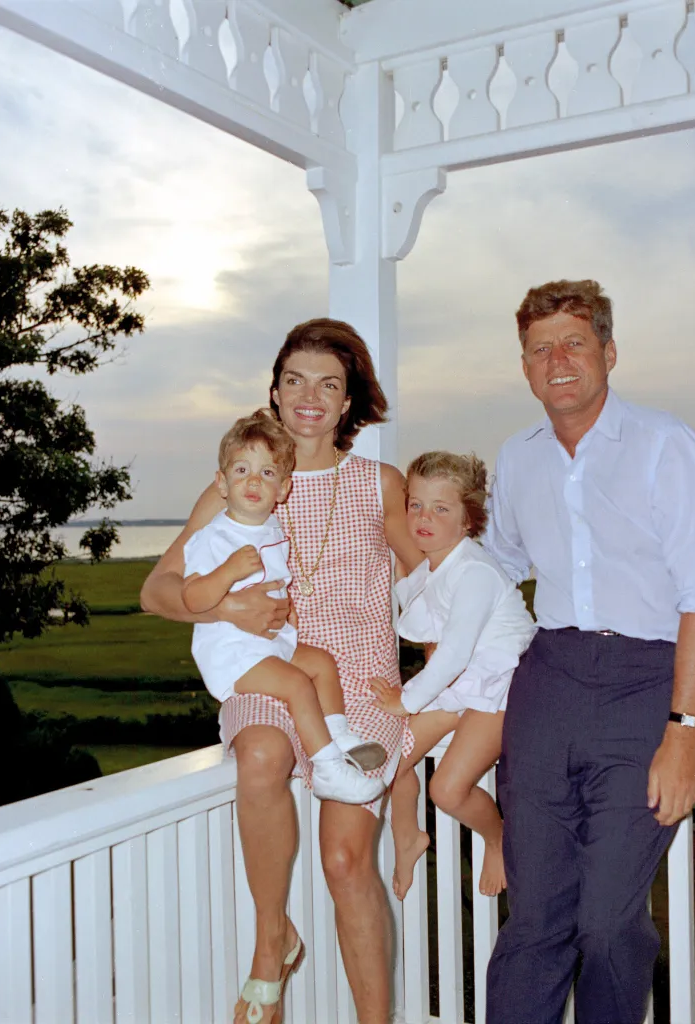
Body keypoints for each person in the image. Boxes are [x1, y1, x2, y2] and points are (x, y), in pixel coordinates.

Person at [140, 319, 421, 1024]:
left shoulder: (380, 484)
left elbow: (436, 587)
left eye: (329, 384)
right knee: (260, 754)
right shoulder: (244, 479)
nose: (308, 396)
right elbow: (157, 591)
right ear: (273, 388)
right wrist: (229, 608)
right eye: (294, 379)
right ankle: (272, 941)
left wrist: (452, 685)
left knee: (346, 862)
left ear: (350, 401)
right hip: (269, 664)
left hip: (357, 678)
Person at [483, 279, 695, 1024]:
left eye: (573, 342)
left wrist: (683, 735)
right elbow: (494, 571)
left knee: (605, 923)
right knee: (533, 920)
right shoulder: (518, 457)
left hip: (642, 689)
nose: (556, 360)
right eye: (539, 348)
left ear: (608, 352)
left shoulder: (666, 446)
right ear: (525, 366)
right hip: (546, 686)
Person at [182, 408, 386, 804]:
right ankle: (328, 770)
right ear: (221, 483)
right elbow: (193, 598)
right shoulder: (214, 537)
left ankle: (338, 735)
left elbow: (271, 581)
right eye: (241, 471)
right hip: (232, 654)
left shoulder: (271, 528)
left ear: (283, 489)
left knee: (321, 663)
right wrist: (226, 572)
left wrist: (286, 605)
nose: (253, 481)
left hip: (268, 643)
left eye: (267, 473)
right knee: (296, 684)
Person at [369, 451, 535, 901]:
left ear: (468, 520)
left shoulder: (475, 571)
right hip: (459, 689)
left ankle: (497, 837)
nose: (424, 517)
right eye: (416, 505)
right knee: (388, 762)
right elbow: (422, 624)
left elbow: (455, 653)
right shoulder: (435, 565)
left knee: (446, 789)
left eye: (441, 509)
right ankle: (410, 837)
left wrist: (403, 701)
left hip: (499, 689)